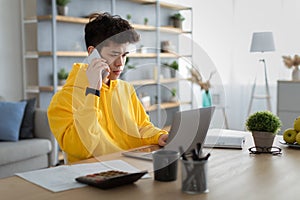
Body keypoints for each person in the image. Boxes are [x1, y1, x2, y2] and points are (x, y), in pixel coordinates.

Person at [47, 12, 168, 163]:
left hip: (132, 168)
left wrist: (160, 136)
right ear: (92, 53)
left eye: (124, 55)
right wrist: (93, 90)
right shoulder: (63, 99)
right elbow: (82, 149)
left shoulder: (125, 89)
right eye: (114, 54)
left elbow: (141, 128)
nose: (120, 63)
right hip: (95, 176)